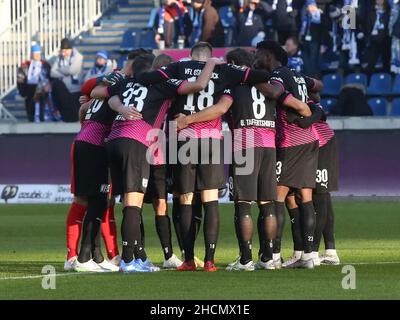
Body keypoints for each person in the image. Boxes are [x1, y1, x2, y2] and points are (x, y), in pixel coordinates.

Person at [135, 41, 306, 271]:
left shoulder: (178, 69)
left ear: (191, 56)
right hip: (221, 141)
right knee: (215, 200)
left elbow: (150, 79)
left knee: (186, 199)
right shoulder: (227, 73)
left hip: (186, 139)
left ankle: (190, 259)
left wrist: (127, 81)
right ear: (211, 57)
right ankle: (215, 260)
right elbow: (261, 84)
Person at [103, 54, 222, 273]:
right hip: (136, 142)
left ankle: (136, 259)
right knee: (133, 203)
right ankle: (129, 262)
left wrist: (120, 108)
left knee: (128, 205)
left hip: (113, 141)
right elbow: (200, 84)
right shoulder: (163, 84)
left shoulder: (128, 82)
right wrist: (212, 63)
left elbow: (106, 95)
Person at [64, 49, 143, 271]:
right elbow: (87, 90)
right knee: (92, 201)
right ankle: (79, 256)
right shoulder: (123, 83)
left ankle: (98, 256)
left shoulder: (110, 83)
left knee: (100, 201)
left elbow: (83, 103)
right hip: (96, 144)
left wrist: (88, 105)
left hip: (87, 141)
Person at [254, 40, 323, 269]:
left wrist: (250, 79)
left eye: (258, 53)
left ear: (269, 55)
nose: (256, 57)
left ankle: (274, 254)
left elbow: (275, 92)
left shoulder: (277, 76)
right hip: (310, 140)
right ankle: (309, 255)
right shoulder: (298, 75)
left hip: (290, 142)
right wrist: (315, 108)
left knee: (277, 198)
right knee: (306, 199)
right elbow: (319, 86)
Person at [51, 38, 84, 122]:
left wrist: (60, 69)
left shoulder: (78, 56)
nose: (63, 53)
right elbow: (52, 72)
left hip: (76, 90)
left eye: (65, 51)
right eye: (62, 51)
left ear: (70, 49)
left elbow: (72, 70)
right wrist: (65, 73)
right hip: (64, 89)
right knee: (56, 85)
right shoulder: (60, 57)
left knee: (75, 115)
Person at [16, 44, 51, 122]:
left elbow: (50, 78)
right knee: (31, 115)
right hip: (30, 94)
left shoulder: (45, 65)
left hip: (44, 94)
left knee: (43, 114)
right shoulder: (25, 66)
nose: (37, 55)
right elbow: (20, 80)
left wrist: (49, 86)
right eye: (35, 53)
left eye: (39, 53)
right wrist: (23, 92)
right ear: (31, 54)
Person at [365, 0, 391, 75]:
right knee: (371, 63)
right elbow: (368, 25)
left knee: (386, 62)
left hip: (384, 40)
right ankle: (369, 81)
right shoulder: (371, 11)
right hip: (373, 40)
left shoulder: (388, 12)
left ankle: (386, 80)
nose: (379, 1)